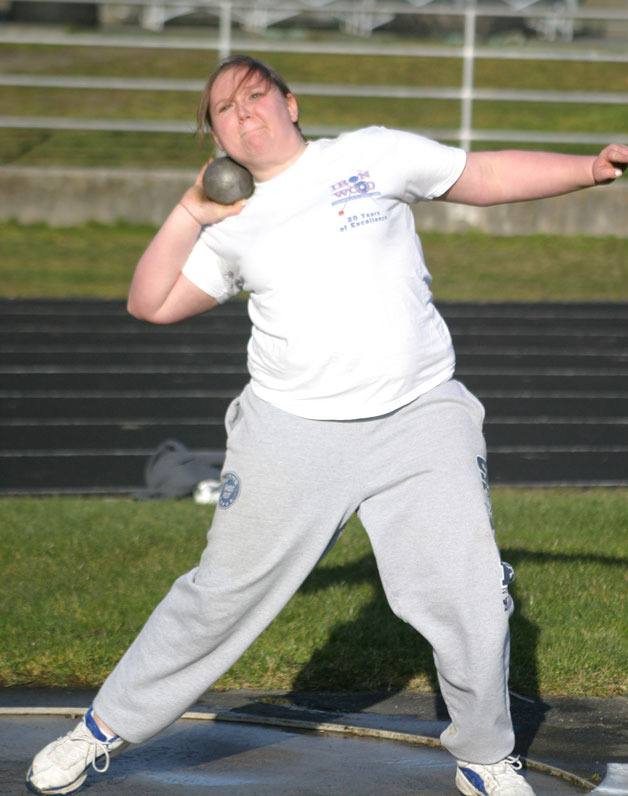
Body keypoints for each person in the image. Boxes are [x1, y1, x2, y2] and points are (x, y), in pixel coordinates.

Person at [26, 55, 627, 796]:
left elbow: (486, 175)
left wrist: (592, 169)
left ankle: (484, 758)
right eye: (223, 109)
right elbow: (151, 303)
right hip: (293, 430)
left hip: (420, 415)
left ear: (291, 102)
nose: (244, 113)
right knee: (221, 597)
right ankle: (99, 730)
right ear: (213, 135)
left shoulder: (372, 154)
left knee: (468, 595)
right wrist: (190, 211)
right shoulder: (230, 220)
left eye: (255, 96)